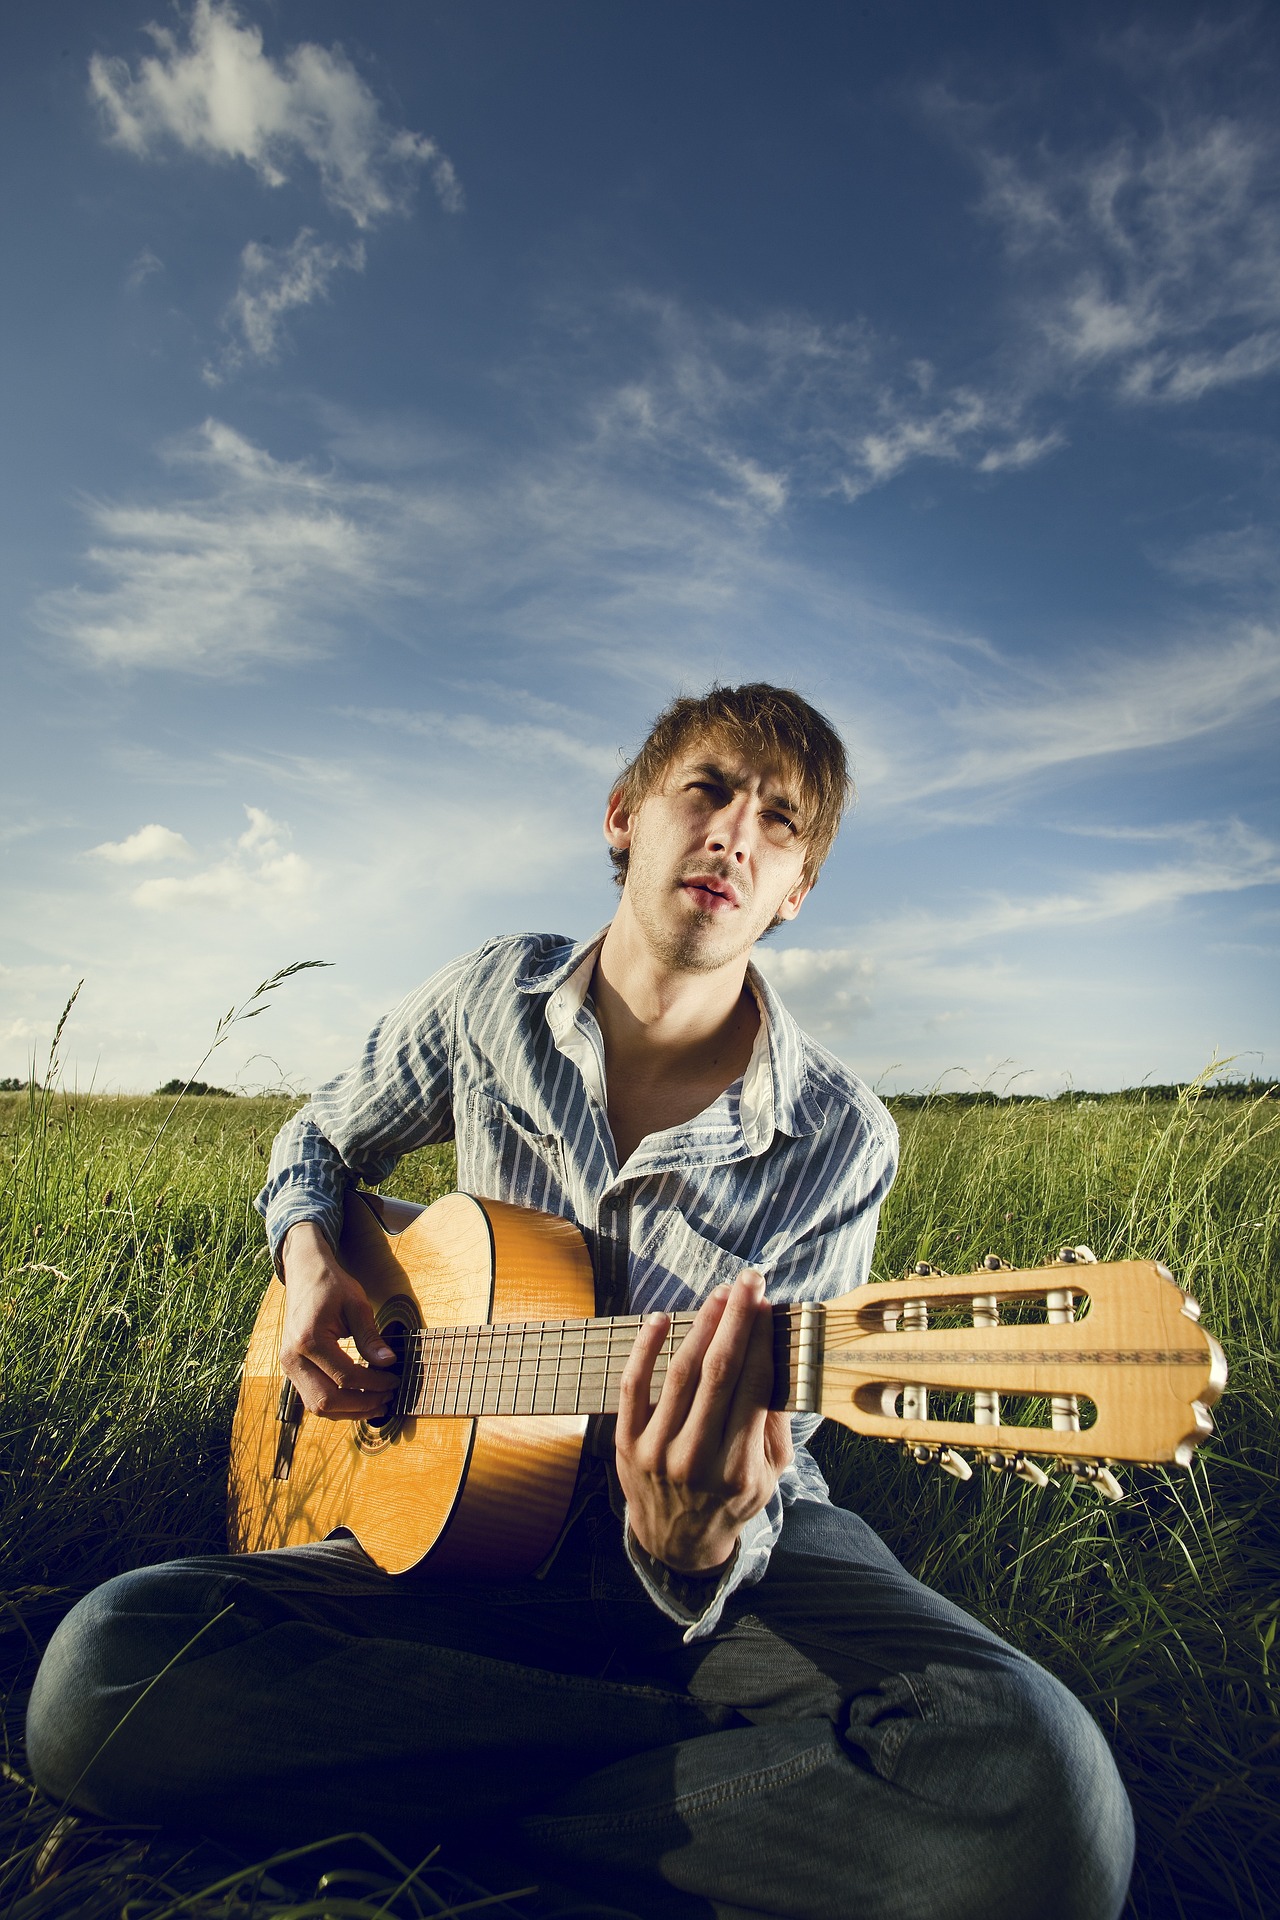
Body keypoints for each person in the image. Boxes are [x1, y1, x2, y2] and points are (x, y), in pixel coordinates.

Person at [26, 684, 1134, 1919]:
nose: (733, 836)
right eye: (707, 789)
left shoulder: (839, 1137)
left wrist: (689, 1546)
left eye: (779, 825)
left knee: (1047, 1805)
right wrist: (309, 1264)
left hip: (732, 1563)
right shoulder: (485, 1003)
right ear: (625, 816)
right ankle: (692, 1802)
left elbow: (770, 1467)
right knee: (98, 1675)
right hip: (451, 1527)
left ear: (795, 891)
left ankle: (447, 1794)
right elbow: (313, 1144)